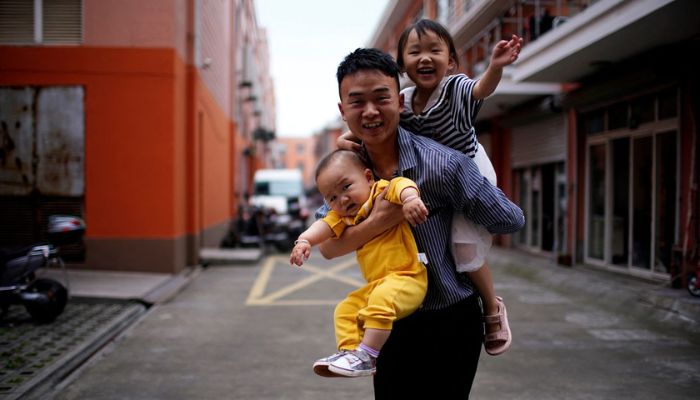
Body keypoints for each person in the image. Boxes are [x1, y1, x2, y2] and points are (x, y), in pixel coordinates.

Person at [320, 47, 524, 398]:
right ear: (343, 111)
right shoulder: (346, 174)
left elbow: (510, 219)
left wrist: (468, 199)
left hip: (451, 318)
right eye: (357, 102)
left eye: (381, 98)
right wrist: (384, 218)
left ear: (399, 102)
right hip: (387, 322)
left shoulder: (444, 164)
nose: (370, 111)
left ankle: (494, 305)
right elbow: (328, 246)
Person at [290, 149, 429, 378]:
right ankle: (350, 353)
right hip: (378, 284)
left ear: (367, 177)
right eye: (332, 198)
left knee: (380, 300)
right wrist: (304, 240)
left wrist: (411, 199)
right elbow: (322, 227)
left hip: (408, 277)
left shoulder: (380, 191)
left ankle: (368, 355)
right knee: (345, 309)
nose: (342, 199)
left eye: (346, 187)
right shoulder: (343, 216)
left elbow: (403, 184)